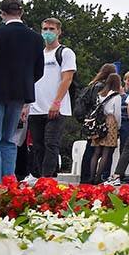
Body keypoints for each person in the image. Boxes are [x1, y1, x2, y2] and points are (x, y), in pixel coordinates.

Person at [0, 0, 44, 183]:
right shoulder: (36, 39)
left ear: (2, 13)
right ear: (21, 13)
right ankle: (8, 183)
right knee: (8, 140)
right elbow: (39, 71)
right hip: (18, 96)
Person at [26, 17, 76, 183]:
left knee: (51, 143)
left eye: (51, 29)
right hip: (36, 107)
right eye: (45, 29)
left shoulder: (65, 53)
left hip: (56, 107)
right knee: (37, 145)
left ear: (59, 31)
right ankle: (40, 176)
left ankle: (48, 178)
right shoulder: (37, 54)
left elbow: (67, 79)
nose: (47, 32)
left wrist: (57, 102)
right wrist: (26, 104)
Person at [76, 64, 116, 184]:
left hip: (88, 120)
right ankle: (94, 176)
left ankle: (85, 175)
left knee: (90, 148)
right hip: (98, 120)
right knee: (98, 150)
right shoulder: (102, 87)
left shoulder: (92, 84)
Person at [88, 74, 123, 183]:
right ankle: (98, 177)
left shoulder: (100, 94)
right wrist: (118, 126)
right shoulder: (116, 96)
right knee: (106, 152)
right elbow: (117, 113)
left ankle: (91, 176)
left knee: (96, 152)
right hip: (110, 121)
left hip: (99, 122)